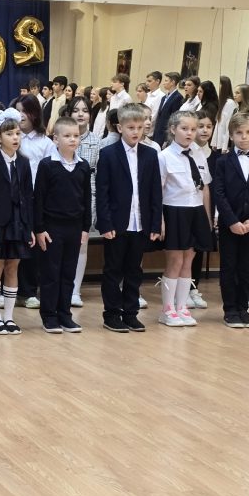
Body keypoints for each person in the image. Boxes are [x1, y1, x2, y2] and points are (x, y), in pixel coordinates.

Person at [96, 103, 162, 333]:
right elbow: (102, 192)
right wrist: (105, 222)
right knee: (113, 270)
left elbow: (155, 192)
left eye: (140, 128)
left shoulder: (150, 154)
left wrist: (155, 223)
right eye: (131, 127)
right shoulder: (108, 154)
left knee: (134, 270)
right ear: (120, 128)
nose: (136, 132)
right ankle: (112, 314)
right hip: (117, 223)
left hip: (140, 223)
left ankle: (131, 313)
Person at [212, 113, 249, 329]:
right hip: (230, 224)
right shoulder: (223, 162)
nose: (244, 137)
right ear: (231, 135)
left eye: (248, 132)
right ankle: (230, 310)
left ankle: (243, 309)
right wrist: (231, 221)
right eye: (239, 133)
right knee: (229, 266)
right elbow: (219, 193)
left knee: (247, 267)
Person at [34, 116, 92, 334]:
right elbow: (38, 198)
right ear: (56, 139)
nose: (72, 139)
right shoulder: (47, 165)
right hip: (51, 228)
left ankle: (65, 315)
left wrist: (85, 228)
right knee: (51, 273)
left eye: (76, 136)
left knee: (68, 273)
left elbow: (86, 199)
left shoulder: (83, 166)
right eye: (67, 136)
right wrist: (39, 228)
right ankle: (49, 316)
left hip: (74, 228)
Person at [156, 111, 212, 328]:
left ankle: (182, 306)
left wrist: (207, 217)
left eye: (193, 129)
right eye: (184, 128)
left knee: (189, 259)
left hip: (195, 211)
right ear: (173, 129)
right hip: (174, 211)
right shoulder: (164, 156)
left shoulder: (199, 154)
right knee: (175, 261)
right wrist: (160, 220)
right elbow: (158, 191)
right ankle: (167, 309)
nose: (190, 133)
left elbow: (204, 188)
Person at [0, 107, 33, 336]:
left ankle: (9, 317)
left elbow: (28, 197)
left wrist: (29, 228)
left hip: (18, 223)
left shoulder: (24, 163)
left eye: (18, 133)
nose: (15, 137)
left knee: (13, 266)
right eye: (9, 133)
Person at [15, 94, 52, 309]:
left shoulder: (45, 142)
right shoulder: (13, 136)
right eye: (18, 111)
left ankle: (28, 291)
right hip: (14, 197)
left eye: (25, 111)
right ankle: (9, 289)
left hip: (36, 199)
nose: (21, 116)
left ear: (35, 114)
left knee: (32, 246)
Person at [65, 96, 100, 308]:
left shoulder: (97, 141)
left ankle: (75, 290)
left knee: (81, 243)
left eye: (85, 110)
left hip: (87, 196)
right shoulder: (59, 138)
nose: (80, 114)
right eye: (76, 110)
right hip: (62, 197)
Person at [187, 110, 218, 311]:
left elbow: (215, 189)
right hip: (186, 208)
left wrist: (214, 214)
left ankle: (194, 288)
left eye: (209, 126)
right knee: (185, 250)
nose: (205, 130)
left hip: (206, 210)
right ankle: (183, 289)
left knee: (198, 249)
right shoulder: (187, 152)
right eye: (200, 126)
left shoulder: (216, 157)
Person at [152, 72, 185, 145]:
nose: (163, 83)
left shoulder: (178, 97)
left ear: (172, 82)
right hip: (157, 132)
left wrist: (167, 139)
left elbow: (173, 119)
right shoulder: (164, 97)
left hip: (165, 135)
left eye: (166, 81)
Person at [214, 76, 235, 152]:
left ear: (224, 86)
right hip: (218, 143)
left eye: (219, 84)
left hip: (224, 145)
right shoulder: (222, 102)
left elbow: (228, 125)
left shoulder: (230, 103)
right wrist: (214, 142)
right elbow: (218, 124)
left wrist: (224, 146)